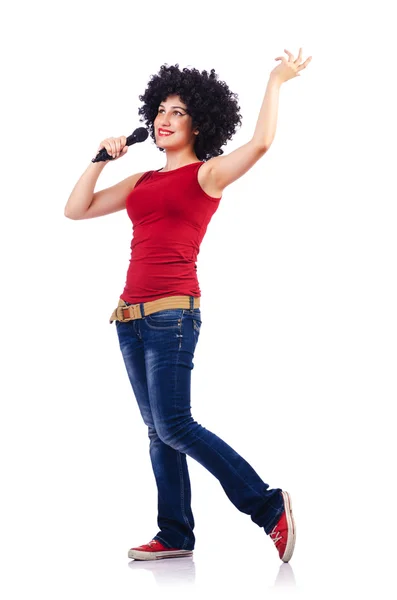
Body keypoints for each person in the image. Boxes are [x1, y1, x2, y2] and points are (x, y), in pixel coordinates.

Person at [64, 49, 312, 563]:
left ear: (200, 122)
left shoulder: (208, 175)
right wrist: (100, 159)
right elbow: (76, 209)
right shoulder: (141, 182)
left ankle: (268, 506)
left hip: (173, 316)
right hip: (128, 319)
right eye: (160, 111)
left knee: (176, 424)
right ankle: (175, 533)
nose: (164, 119)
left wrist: (275, 81)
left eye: (178, 111)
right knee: (158, 431)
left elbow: (262, 143)